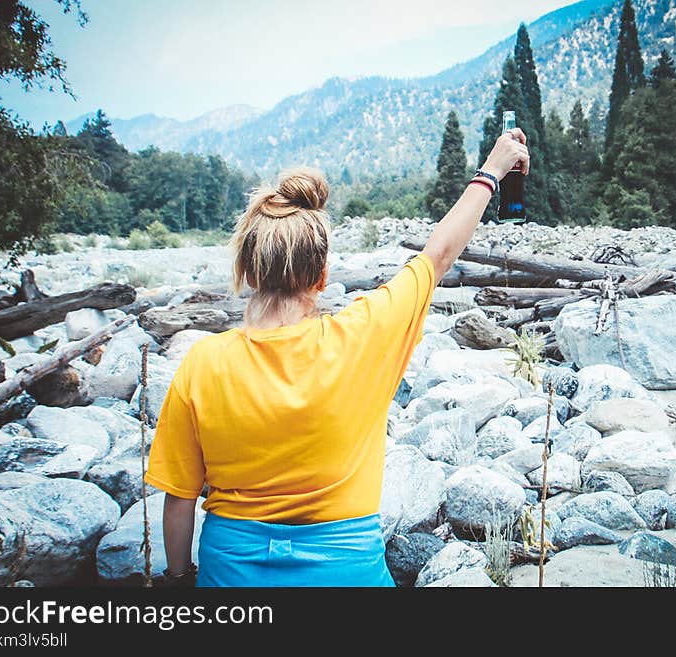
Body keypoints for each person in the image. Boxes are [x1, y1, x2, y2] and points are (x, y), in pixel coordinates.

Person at [144, 127, 530, 587]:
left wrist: (180, 577)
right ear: (323, 275)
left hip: (231, 572)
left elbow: (179, 498)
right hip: (345, 572)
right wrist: (491, 171)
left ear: (246, 269)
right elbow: (439, 254)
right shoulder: (363, 334)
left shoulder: (203, 362)